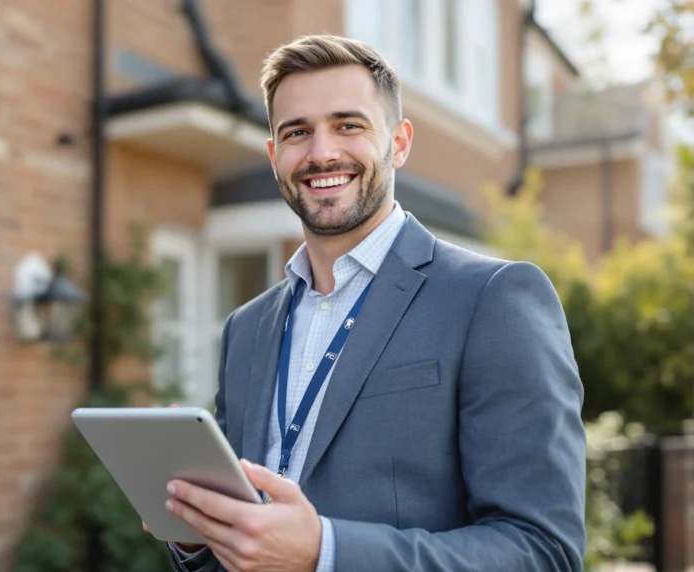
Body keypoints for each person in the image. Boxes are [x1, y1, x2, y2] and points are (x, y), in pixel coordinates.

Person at [154, 34, 587, 572]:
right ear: (273, 157)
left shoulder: (494, 299)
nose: (321, 153)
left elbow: (543, 551)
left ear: (399, 142)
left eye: (348, 125)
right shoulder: (247, 327)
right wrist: (198, 537)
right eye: (296, 133)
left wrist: (324, 553)